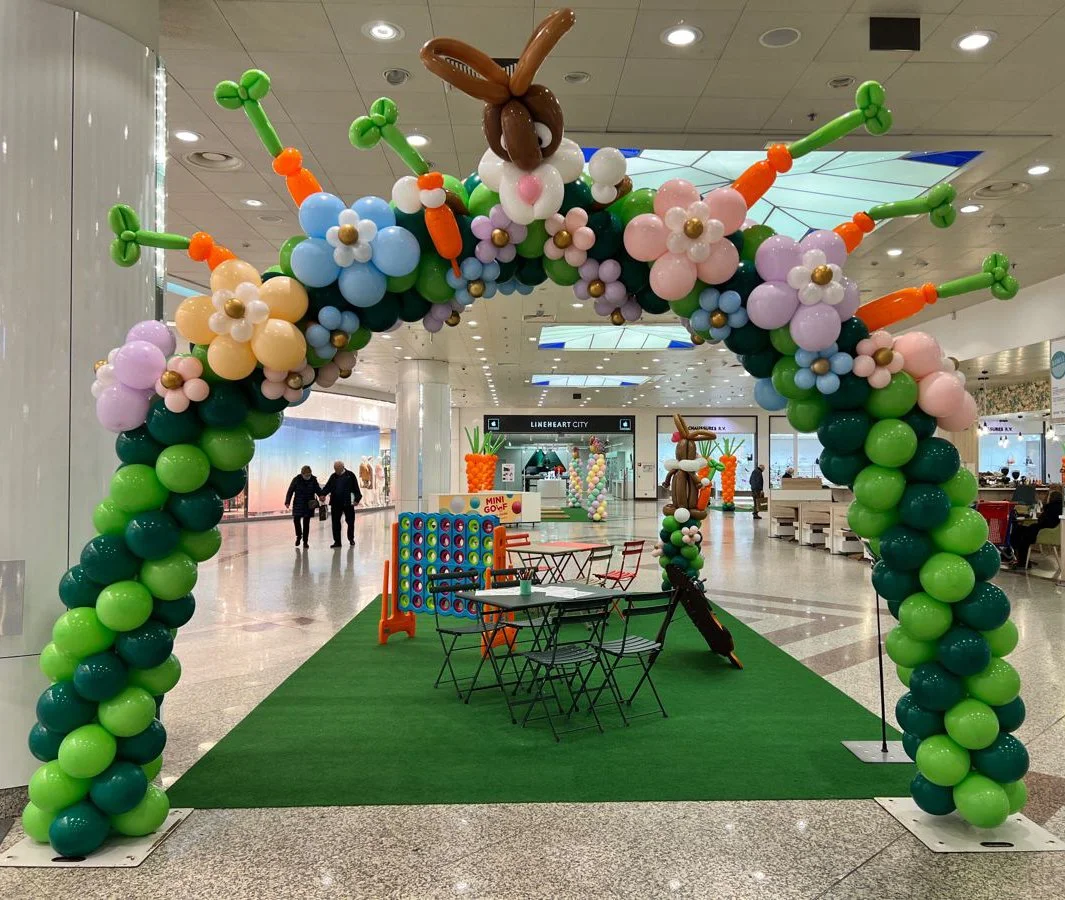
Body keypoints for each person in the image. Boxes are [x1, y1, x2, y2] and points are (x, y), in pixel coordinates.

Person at [1008, 487, 1062, 569]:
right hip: (1047, 530)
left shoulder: (1051, 508)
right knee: (1020, 531)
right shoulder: (1059, 508)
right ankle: (1021, 560)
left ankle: (1020, 560)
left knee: (1019, 532)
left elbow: (1043, 522)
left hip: (1042, 531)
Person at [320, 460, 362, 548]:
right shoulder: (333, 476)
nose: (336, 471)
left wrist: (357, 500)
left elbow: (356, 488)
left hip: (348, 503)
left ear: (343, 467)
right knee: (335, 523)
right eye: (335, 469)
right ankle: (337, 542)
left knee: (350, 522)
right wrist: (323, 494)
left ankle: (351, 539)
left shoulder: (350, 475)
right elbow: (328, 487)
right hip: (336, 503)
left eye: (338, 469)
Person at [285, 466, 321, 548]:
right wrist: (287, 501)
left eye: (309, 475)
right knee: (296, 519)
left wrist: (321, 495)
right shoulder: (296, 479)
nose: (308, 477)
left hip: (309, 504)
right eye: (306, 475)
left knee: (306, 522)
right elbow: (290, 491)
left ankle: (305, 541)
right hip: (298, 503)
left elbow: (318, 490)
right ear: (302, 474)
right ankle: (299, 535)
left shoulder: (313, 479)